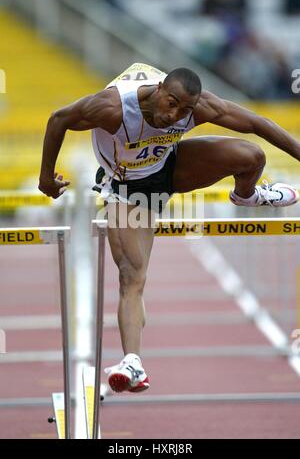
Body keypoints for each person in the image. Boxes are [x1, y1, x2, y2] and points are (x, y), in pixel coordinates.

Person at [39, 63, 299, 393]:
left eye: (185, 110)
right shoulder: (113, 108)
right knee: (132, 275)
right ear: (159, 89)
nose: (174, 115)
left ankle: (247, 195)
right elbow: (59, 119)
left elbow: (257, 123)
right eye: (171, 103)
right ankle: (132, 362)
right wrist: (46, 176)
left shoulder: (198, 108)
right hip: (128, 187)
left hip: (171, 167)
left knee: (251, 155)